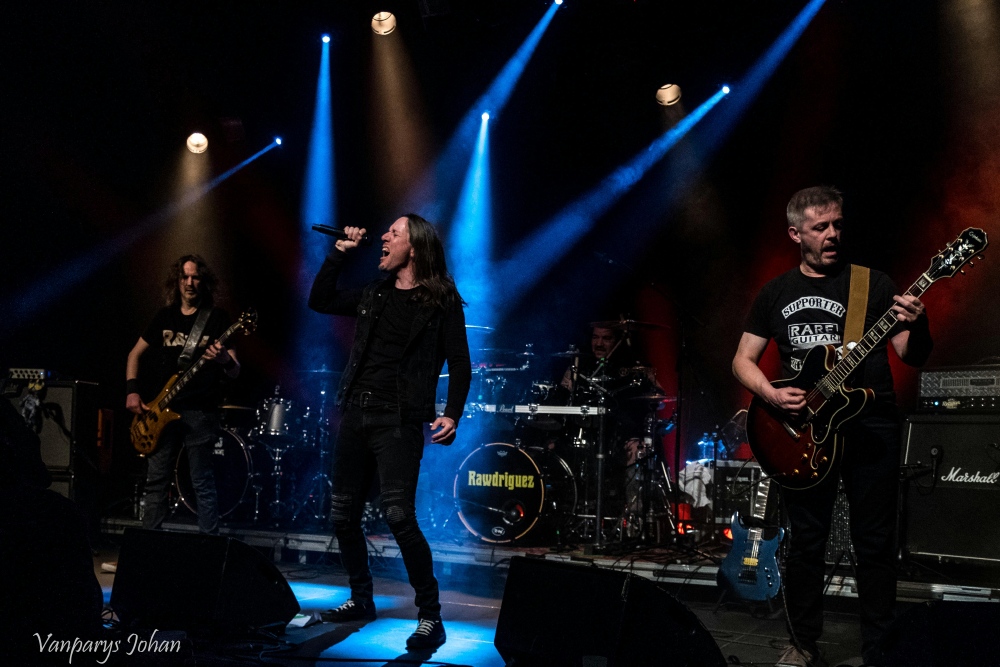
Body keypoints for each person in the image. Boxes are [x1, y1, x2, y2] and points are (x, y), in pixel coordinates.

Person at [732, 186, 932, 667]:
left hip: (871, 427)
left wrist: (919, 324)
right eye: (820, 227)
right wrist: (771, 394)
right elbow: (741, 360)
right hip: (801, 430)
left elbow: (910, 354)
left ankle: (879, 649)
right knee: (806, 542)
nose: (832, 234)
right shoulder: (776, 292)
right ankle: (802, 644)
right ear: (795, 233)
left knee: (875, 544)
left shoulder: (873, 284)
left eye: (838, 224)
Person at [308, 214, 471, 651]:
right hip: (356, 414)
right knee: (343, 515)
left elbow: (460, 362)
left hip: (398, 421)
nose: (383, 237)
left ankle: (430, 615)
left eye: (393, 234)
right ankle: (361, 599)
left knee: (399, 516)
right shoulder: (374, 293)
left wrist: (452, 414)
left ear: (414, 247)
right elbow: (320, 299)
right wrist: (338, 254)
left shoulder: (441, 301)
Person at [126, 254, 240, 536]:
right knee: (156, 481)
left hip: (200, 411)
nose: (190, 283)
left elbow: (235, 371)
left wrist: (224, 359)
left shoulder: (217, 318)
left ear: (203, 281)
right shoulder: (164, 317)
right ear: (176, 281)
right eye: (184, 277)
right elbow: (134, 354)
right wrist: (132, 391)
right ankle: (148, 544)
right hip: (161, 410)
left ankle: (209, 546)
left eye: (195, 277)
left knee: (201, 481)